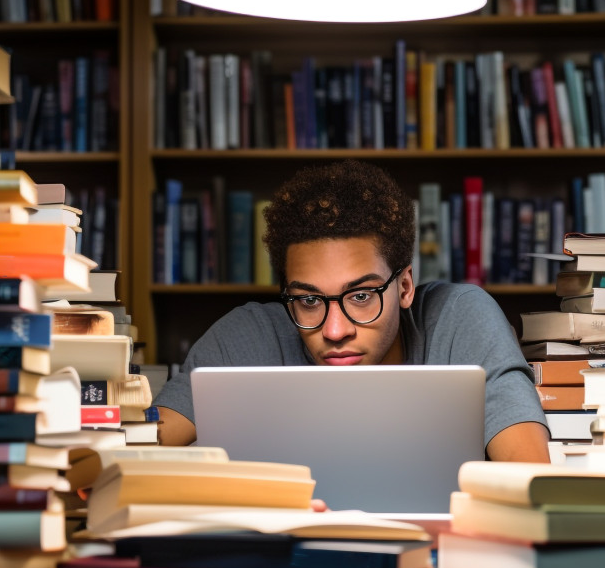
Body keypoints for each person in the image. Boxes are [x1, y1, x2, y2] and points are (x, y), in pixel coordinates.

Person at [155, 160, 550, 462]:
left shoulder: (460, 318)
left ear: (405, 287)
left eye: (361, 296)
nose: (335, 330)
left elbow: (528, 470)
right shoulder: (247, 336)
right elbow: (131, 448)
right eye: (309, 301)